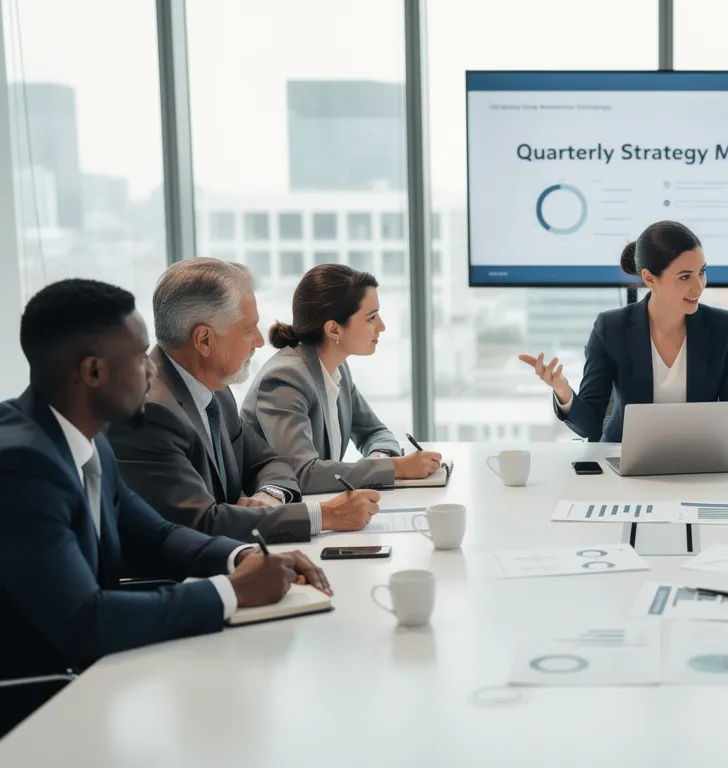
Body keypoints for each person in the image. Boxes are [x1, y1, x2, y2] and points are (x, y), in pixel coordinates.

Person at [0, 279, 328, 734]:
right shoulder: (22, 467)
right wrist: (234, 592)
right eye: (139, 359)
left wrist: (244, 557)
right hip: (40, 714)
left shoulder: (90, 443)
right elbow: (85, 621)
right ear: (94, 372)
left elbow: (157, 534)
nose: (152, 370)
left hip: (93, 685)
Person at [106, 259, 380, 543]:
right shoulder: (150, 413)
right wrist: (325, 515)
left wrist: (268, 497)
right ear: (204, 340)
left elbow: (270, 461)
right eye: (249, 329)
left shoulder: (215, 389)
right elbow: (202, 524)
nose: (260, 341)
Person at [519, 220, 728, 443]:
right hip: (625, 464)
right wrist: (563, 391)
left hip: (701, 463)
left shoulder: (724, 327)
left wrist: (723, 451)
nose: (699, 286)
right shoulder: (611, 328)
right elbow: (590, 425)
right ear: (649, 278)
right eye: (685, 277)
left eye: (702, 272)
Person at [240, 264, 442, 494]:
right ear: (334, 329)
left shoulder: (337, 368)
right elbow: (301, 474)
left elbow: (374, 432)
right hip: (273, 519)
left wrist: (380, 458)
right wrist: (393, 468)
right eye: (371, 317)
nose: (382, 326)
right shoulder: (285, 378)